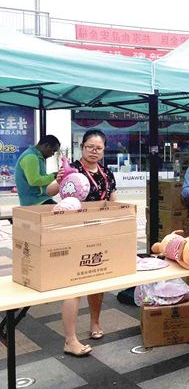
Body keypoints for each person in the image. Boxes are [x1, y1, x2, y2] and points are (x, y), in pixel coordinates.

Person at [61, 129, 117, 356]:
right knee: (74, 283)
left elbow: (113, 200)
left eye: (98, 148)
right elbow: (51, 190)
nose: (94, 151)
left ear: (104, 150)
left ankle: (95, 322)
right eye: (89, 147)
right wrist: (60, 179)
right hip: (75, 232)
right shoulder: (72, 169)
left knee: (96, 280)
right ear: (81, 147)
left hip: (99, 232)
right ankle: (70, 339)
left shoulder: (106, 172)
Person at [14, 135, 62, 205]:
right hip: (34, 201)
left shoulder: (37, 156)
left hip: (41, 199)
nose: (52, 154)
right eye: (53, 151)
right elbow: (34, 181)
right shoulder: (31, 157)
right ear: (46, 145)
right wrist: (54, 176)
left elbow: (40, 177)